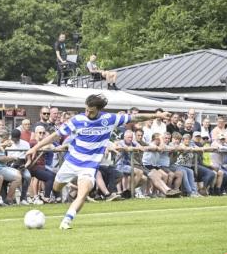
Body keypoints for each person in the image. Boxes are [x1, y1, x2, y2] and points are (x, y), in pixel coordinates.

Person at [26, 94, 170, 230]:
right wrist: (35, 148)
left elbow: (135, 117)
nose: (88, 113)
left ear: (99, 110)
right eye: (86, 110)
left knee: (83, 193)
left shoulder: (109, 118)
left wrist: (157, 115)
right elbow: (54, 136)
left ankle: (67, 220)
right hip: (71, 163)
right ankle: (60, 193)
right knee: (56, 187)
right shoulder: (77, 120)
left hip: (89, 166)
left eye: (92, 111)